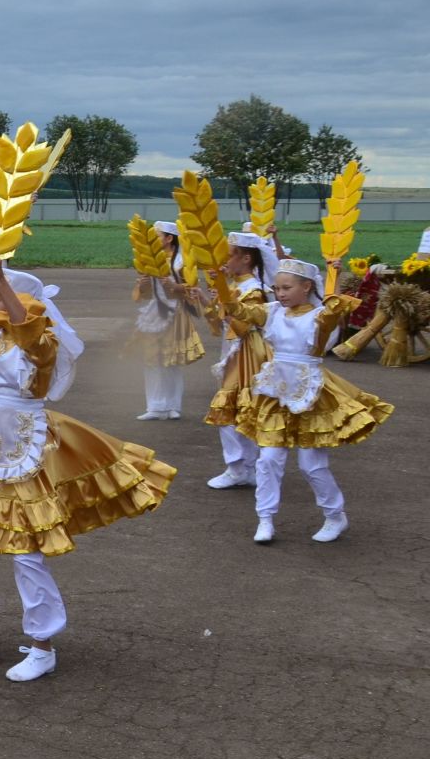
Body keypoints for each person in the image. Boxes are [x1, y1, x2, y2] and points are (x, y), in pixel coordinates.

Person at [0, 251, 175, 683]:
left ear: (24, 305)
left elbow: (28, 332)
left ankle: (43, 645)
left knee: (26, 552)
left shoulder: (41, 345)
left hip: (28, 449)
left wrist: (1, 279)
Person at [215, 256, 392, 544]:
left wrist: (333, 271)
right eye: (277, 288)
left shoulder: (321, 317)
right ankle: (265, 519)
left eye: (286, 288)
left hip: (311, 392)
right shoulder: (271, 311)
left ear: (307, 286)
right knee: (268, 459)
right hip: (275, 391)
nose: (280, 293)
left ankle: (335, 516)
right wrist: (219, 280)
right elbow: (237, 310)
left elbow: (332, 309)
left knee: (311, 465)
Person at [202, 232, 272, 490]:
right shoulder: (234, 285)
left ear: (246, 258)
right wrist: (206, 296)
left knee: (229, 408)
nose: (223, 260)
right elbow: (216, 325)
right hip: (234, 350)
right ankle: (246, 468)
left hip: (247, 352)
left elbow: (242, 328)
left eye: (229, 254)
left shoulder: (253, 290)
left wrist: (222, 298)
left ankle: (238, 468)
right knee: (239, 409)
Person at [129, 221, 205, 421]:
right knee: (151, 358)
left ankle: (172, 405)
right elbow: (142, 295)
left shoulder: (181, 261)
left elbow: (192, 289)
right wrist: (143, 285)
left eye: (157, 236)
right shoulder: (149, 260)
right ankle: (154, 405)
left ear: (169, 238)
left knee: (171, 360)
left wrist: (175, 286)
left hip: (175, 313)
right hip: (154, 313)